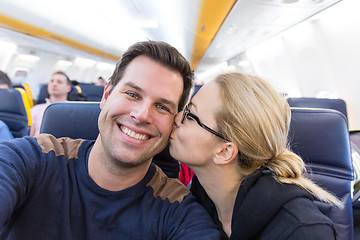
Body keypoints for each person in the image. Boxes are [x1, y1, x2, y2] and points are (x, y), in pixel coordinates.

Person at [0, 41, 220, 239]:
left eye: (162, 107)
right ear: (106, 96)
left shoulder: (178, 211)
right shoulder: (34, 159)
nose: (142, 115)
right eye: (133, 94)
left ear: (174, 122)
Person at [170, 72, 341, 239]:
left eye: (190, 115)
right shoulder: (202, 198)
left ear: (224, 152)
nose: (176, 118)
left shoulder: (303, 231)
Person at [30, 71, 71, 136]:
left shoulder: (73, 110)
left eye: (59, 82)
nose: (54, 84)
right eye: (52, 81)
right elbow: (30, 136)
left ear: (68, 88)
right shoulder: (35, 109)